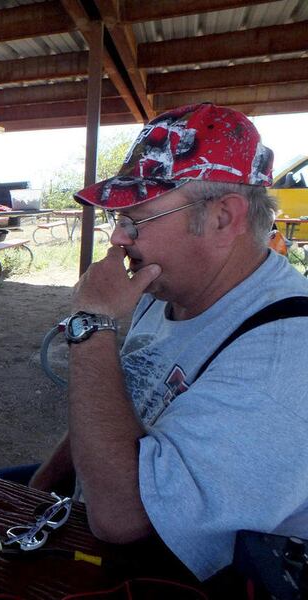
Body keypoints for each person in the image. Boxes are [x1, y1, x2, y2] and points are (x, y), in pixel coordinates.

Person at [28, 103, 308, 581]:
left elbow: (123, 518)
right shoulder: (169, 289)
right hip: (94, 504)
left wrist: (92, 326)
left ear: (223, 217)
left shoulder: (285, 354)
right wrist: (42, 485)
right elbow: (122, 400)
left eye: (137, 219)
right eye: (119, 217)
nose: (118, 236)